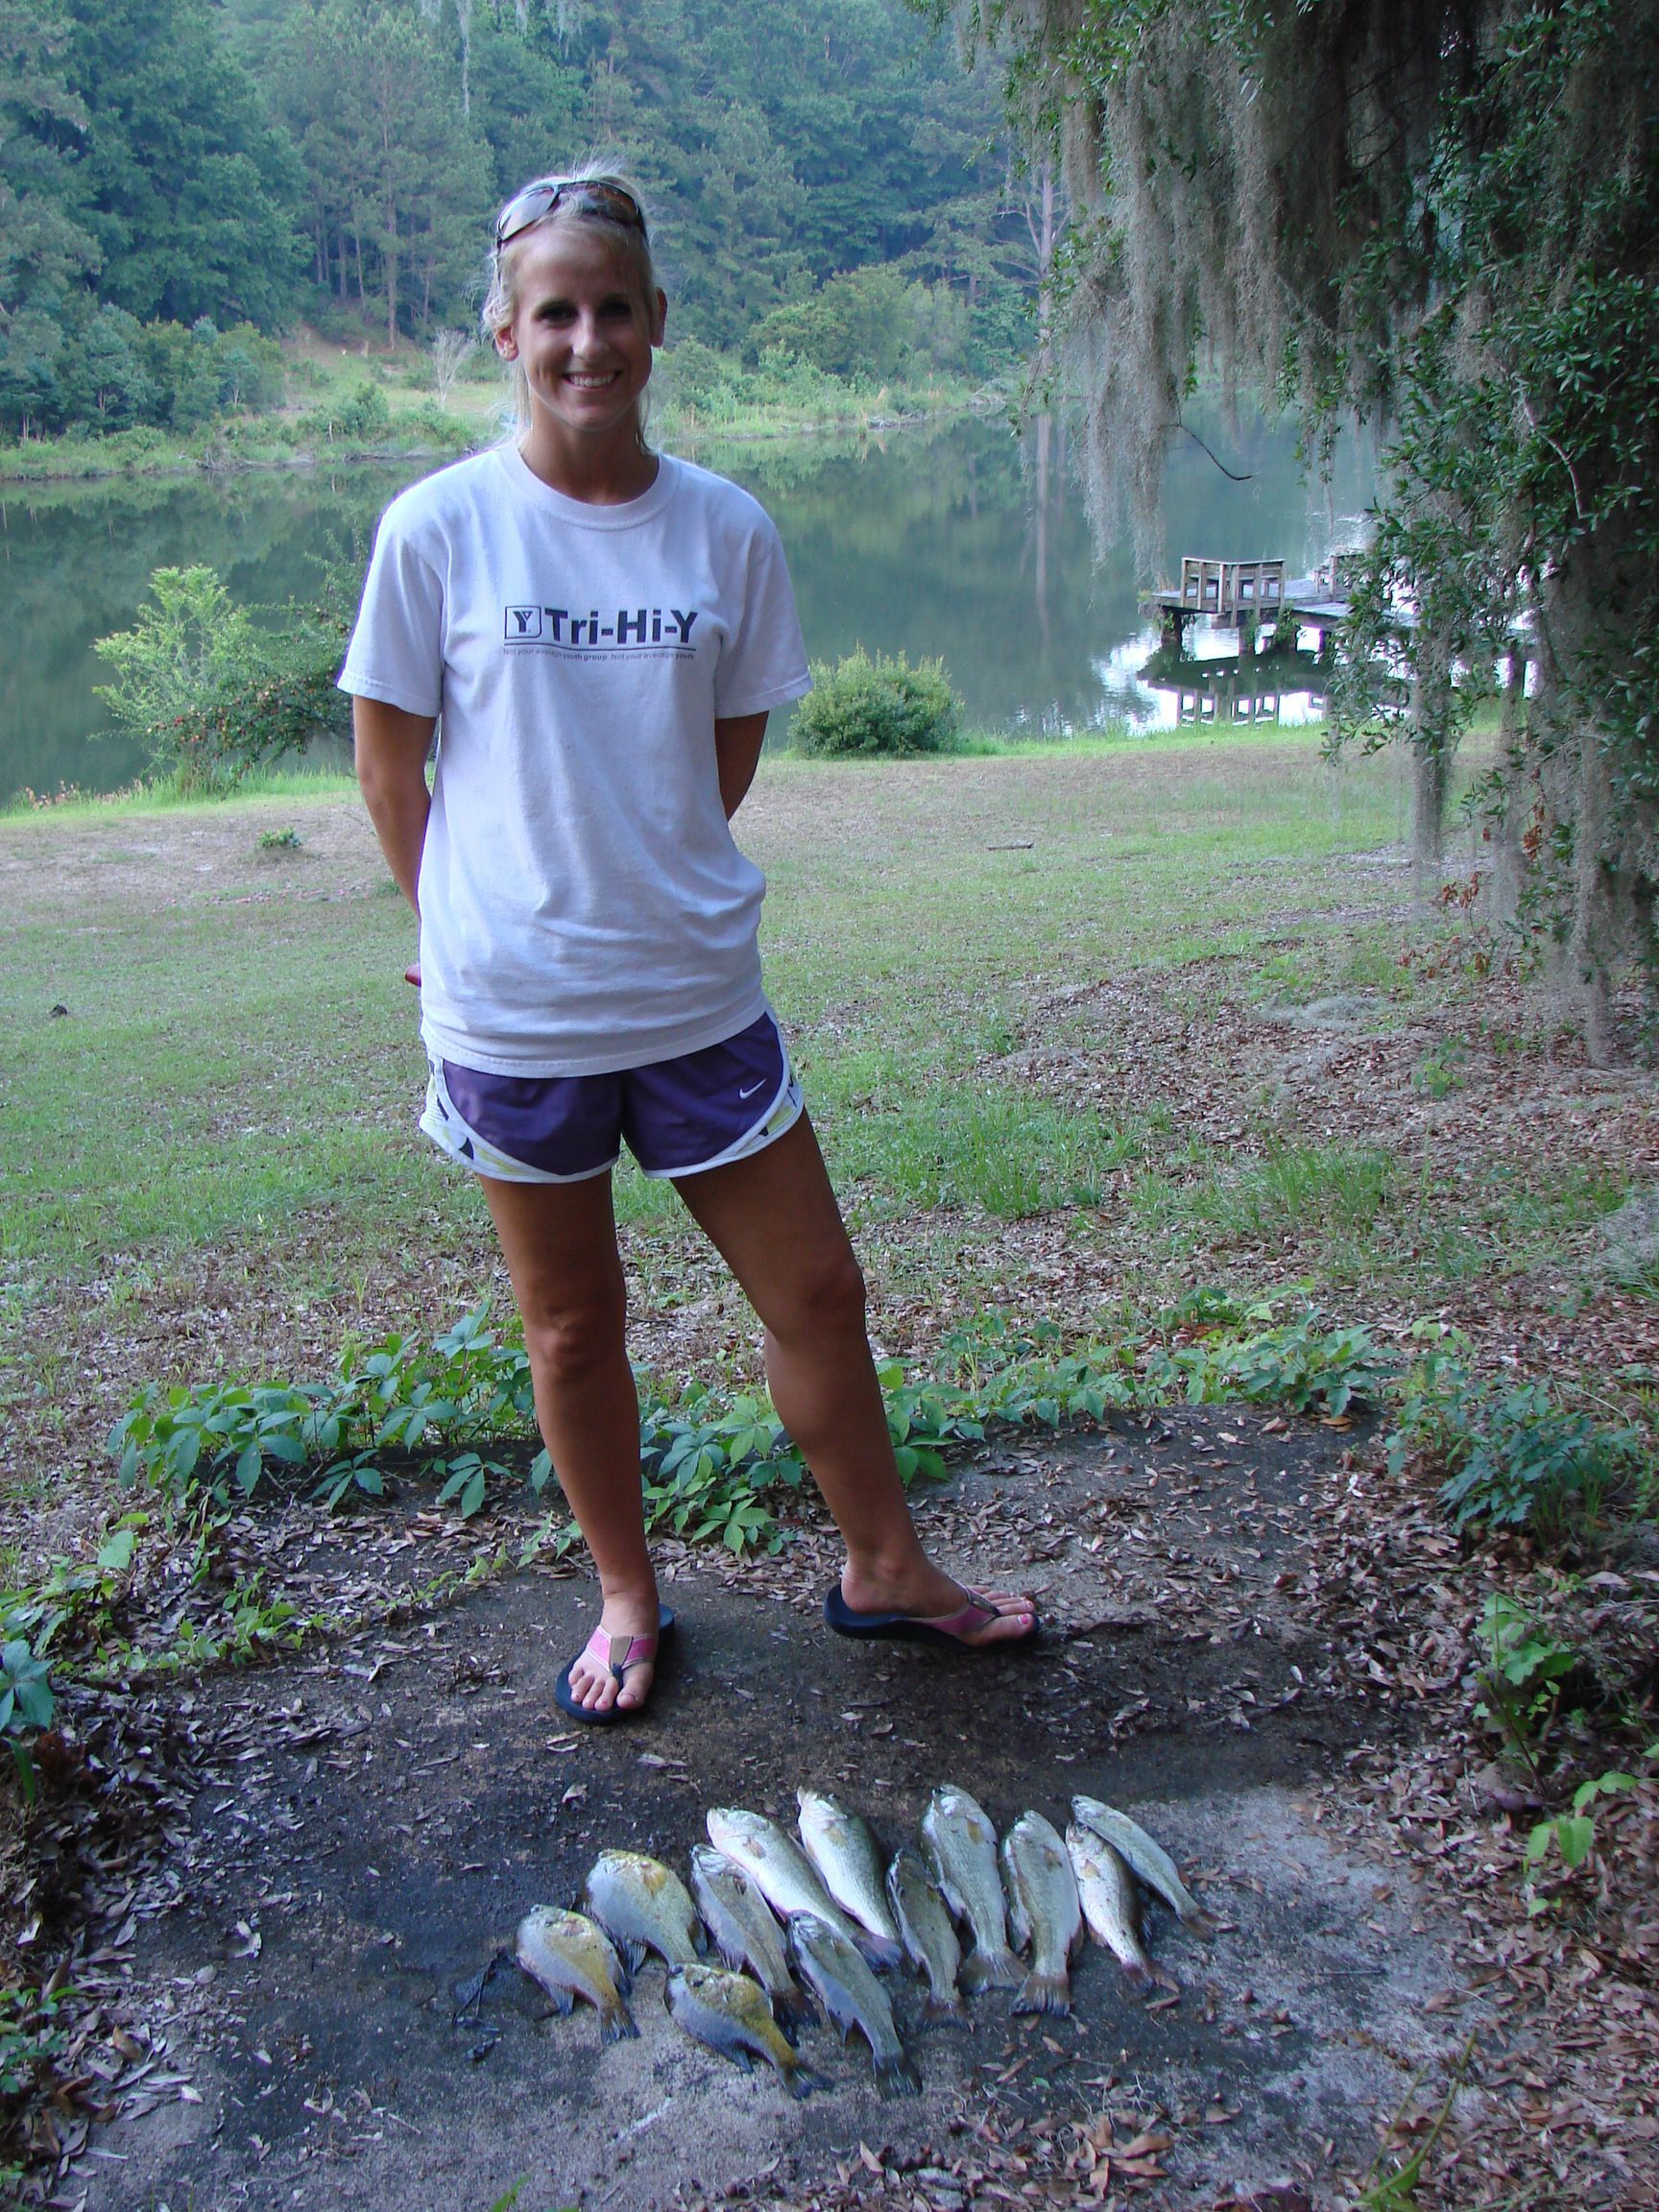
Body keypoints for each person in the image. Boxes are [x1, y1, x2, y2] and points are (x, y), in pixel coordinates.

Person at [340, 169, 1037, 1723]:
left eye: (614, 310)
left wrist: (643, 876)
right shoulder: (438, 530)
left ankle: (884, 1567)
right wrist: (450, 923)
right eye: (554, 314)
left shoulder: (726, 532)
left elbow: (718, 763)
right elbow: (393, 767)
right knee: (575, 1325)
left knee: (820, 1293)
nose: (587, 340)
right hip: (517, 1011)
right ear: (507, 334)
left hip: (697, 993)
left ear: (657, 324)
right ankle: (629, 1597)